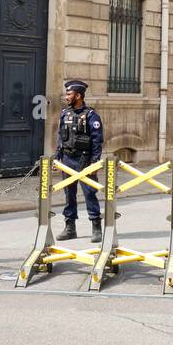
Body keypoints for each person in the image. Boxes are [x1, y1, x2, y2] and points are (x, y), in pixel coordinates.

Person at [56, 79, 104, 243]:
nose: (66, 97)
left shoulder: (91, 116)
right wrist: (58, 158)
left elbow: (97, 141)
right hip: (68, 159)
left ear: (78, 95)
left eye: (69, 94)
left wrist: (95, 163)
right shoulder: (64, 114)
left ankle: (96, 227)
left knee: (90, 193)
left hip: (85, 160)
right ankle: (70, 227)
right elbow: (60, 137)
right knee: (69, 194)